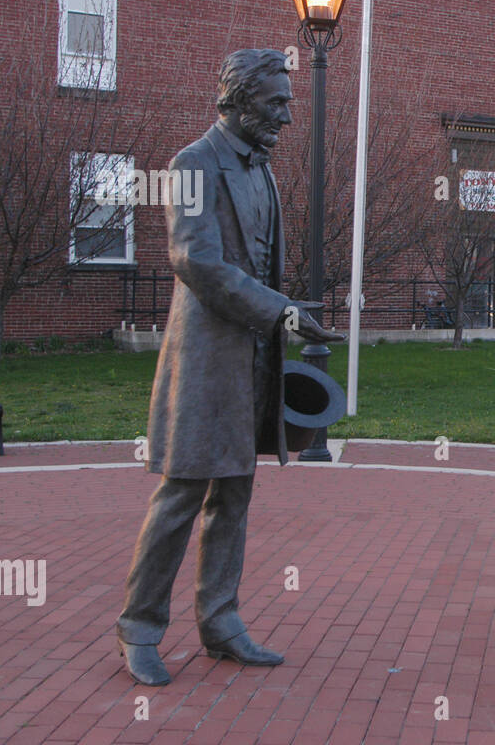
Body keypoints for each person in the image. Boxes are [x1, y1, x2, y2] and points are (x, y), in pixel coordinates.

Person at [117, 49, 343, 686]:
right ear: (239, 100)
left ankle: (220, 621)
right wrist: (280, 313)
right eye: (276, 103)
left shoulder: (263, 171)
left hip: (253, 359)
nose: (288, 116)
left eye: (289, 102)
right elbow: (196, 261)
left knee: (235, 493)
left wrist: (283, 313)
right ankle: (139, 626)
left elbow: (258, 262)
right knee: (183, 491)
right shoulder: (192, 163)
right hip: (205, 360)